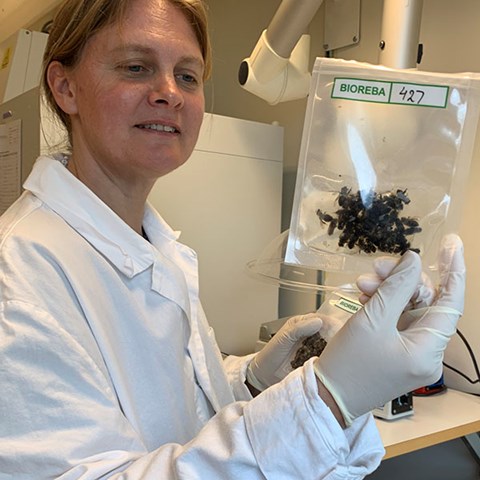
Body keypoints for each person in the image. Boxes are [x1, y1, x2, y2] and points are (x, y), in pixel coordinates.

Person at [0, 0, 465, 478]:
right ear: (65, 87)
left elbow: (171, 412)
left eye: (187, 75)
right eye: (136, 67)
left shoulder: (151, 244)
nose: (169, 93)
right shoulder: (19, 277)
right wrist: (329, 397)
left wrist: (255, 379)